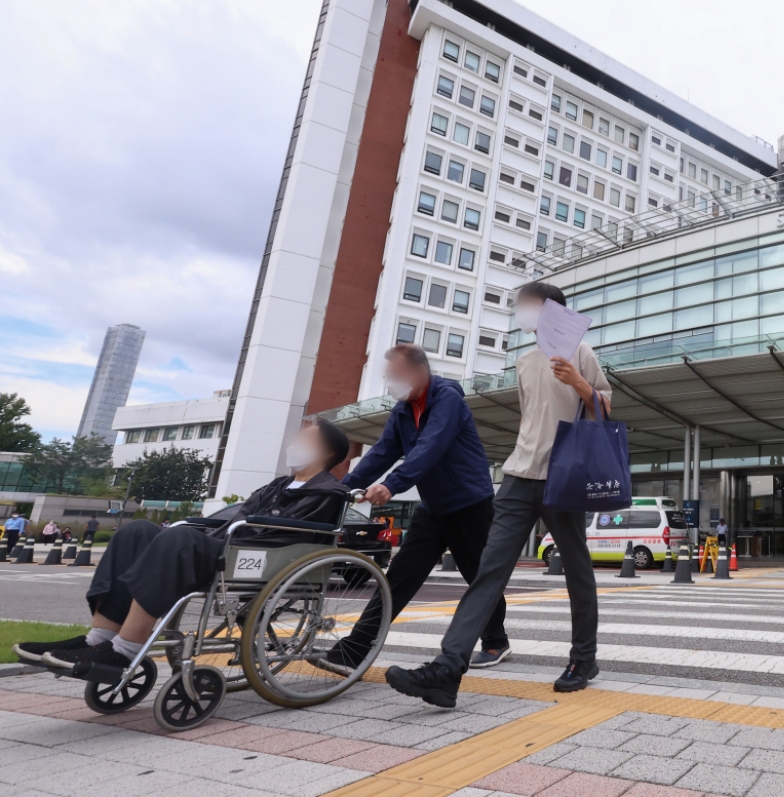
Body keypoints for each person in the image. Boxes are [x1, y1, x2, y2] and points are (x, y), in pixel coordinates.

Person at [385, 282, 612, 708]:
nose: (520, 314)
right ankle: (447, 668)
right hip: (518, 477)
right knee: (489, 570)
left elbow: (604, 410)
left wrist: (578, 382)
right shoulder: (525, 363)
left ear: (552, 312)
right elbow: (533, 422)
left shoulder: (582, 353)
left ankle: (584, 659)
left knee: (577, 570)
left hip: (564, 477)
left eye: (528, 306)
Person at [13, 421, 351, 672]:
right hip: (230, 546)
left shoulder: (328, 492)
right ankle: (98, 641)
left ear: (326, 451)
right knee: (137, 532)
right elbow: (240, 516)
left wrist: (211, 538)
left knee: (180, 538)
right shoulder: (277, 485)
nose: (296, 442)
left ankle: (125, 650)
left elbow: (284, 534)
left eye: (306, 438)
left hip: (258, 557)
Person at [312, 343, 511, 677]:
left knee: (480, 577)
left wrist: (392, 485)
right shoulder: (402, 411)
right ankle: (353, 651)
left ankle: (495, 641)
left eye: (398, 375)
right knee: (400, 578)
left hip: (469, 504)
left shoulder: (448, 399)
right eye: (389, 376)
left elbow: (431, 446)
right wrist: (338, 489)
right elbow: (382, 452)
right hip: (433, 508)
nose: (392, 382)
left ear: (420, 373)